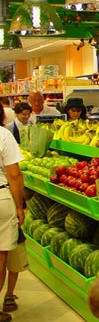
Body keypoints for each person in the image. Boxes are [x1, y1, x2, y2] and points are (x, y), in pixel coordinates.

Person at [0, 106, 25, 322]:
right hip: (1, 198)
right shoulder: (3, 135)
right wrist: (19, 207)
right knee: (0, 256)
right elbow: (14, 174)